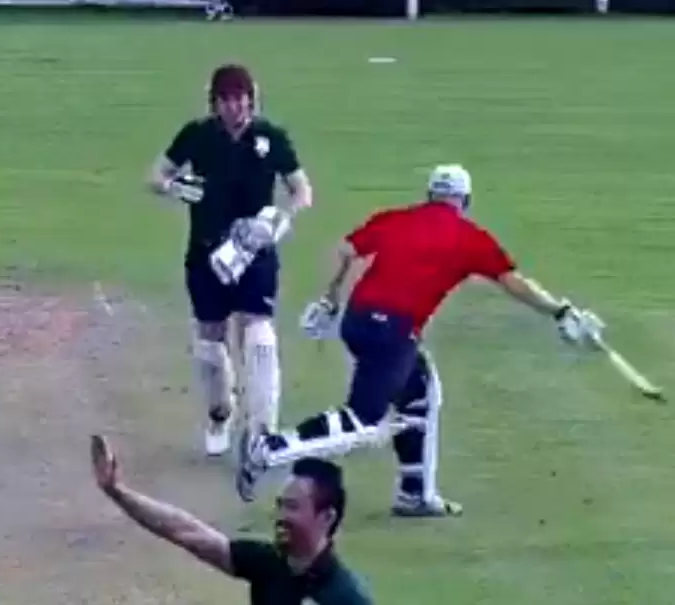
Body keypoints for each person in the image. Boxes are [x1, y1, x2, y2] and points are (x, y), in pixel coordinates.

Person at [236, 164, 605, 513]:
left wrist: (330, 297)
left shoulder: (396, 218)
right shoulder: (470, 237)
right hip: (393, 331)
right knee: (362, 420)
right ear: (465, 200)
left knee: (421, 391)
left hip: (358, 321)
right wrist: (560, 311)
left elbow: (346, 250)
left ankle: (415, 494)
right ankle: (269, 449)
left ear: (430, 195)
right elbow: (514, 283)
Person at [147, 63, 313, 457]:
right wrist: (174, 187)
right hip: (206, 252)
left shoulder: (271, 137)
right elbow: (156, 175)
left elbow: (302, 189)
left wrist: (281, 219)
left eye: (241, 99)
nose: (235, 107)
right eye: (226, 100)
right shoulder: (197, 135)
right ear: (215, 103)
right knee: (210, 339)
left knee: (258, 333)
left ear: (251, 100)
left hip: (255, 251)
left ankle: (263, 430)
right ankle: (219, 414)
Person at [90, 434, 374, 604]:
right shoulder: (269, 564)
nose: (280, 516)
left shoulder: (345, 597)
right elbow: (185, 531)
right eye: (280, 506)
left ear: (326, 517)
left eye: (292, 507)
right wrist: (118, 492)